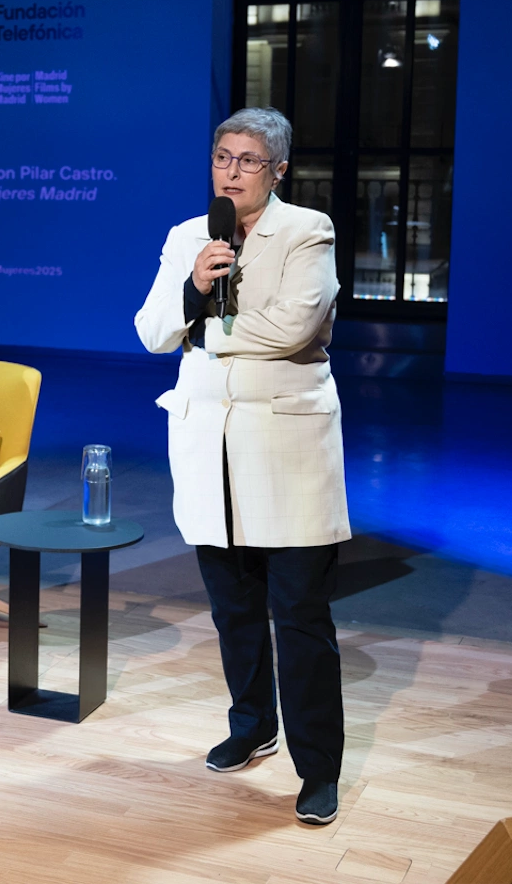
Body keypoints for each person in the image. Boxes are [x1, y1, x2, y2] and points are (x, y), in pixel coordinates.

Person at [134, 107, 352, 826]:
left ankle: (318, 766)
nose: (231, 170)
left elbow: (295, 326)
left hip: (284, 450)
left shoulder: (306, 230)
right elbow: (151, 329)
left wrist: (202, 332)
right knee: (232, 608)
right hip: (208, 448)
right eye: (222, 156)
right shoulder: (186, 237)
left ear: (279, 169)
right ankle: (252, 721)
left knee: (297, 612)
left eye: (248, 159)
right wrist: (193, 291)